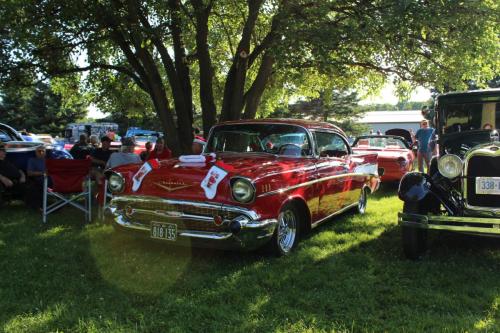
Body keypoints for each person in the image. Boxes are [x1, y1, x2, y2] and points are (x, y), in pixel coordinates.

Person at [26, 145, 50, 209]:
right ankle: (40, 205)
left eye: (43, 151)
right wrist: (42, 173)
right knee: (36, 185)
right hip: (38, 179)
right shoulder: (32, 160)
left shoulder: (49, 161)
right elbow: (29, 173)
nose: (41, 152)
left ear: (45, 152)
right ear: (36, 152)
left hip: (50, 179)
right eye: (39, 151)